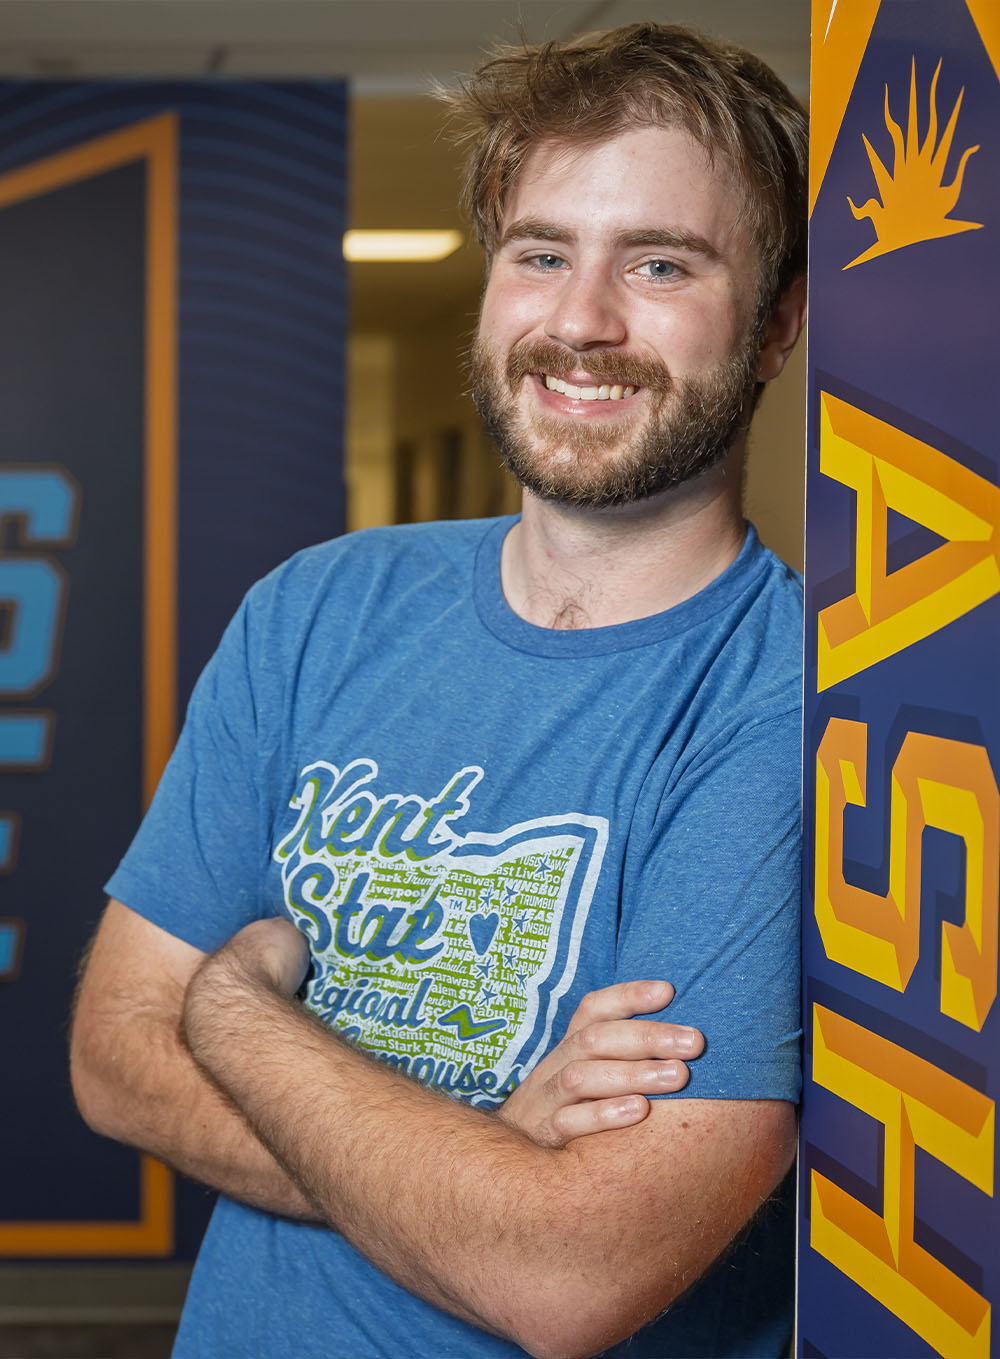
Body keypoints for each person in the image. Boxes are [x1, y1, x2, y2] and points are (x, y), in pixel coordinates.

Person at [71, 22, 807, 1359]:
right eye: (540, 253)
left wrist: (233, 1010)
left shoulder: (796, 706)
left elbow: (570, 1272)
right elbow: (116, 1057)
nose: (581, 321)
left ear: (778, 328)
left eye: (660, 264)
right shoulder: (317, 610)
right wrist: (480, 1162)